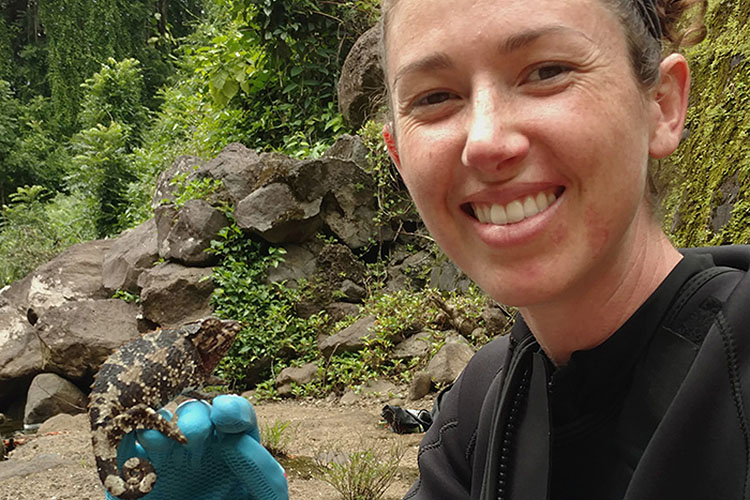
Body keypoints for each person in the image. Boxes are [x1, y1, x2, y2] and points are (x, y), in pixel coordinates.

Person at [379, 0, 750, 499]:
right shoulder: (478, 409)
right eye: (434, 97)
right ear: (400, 158)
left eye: (547, 71)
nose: (487, 142)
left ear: (662, 106)